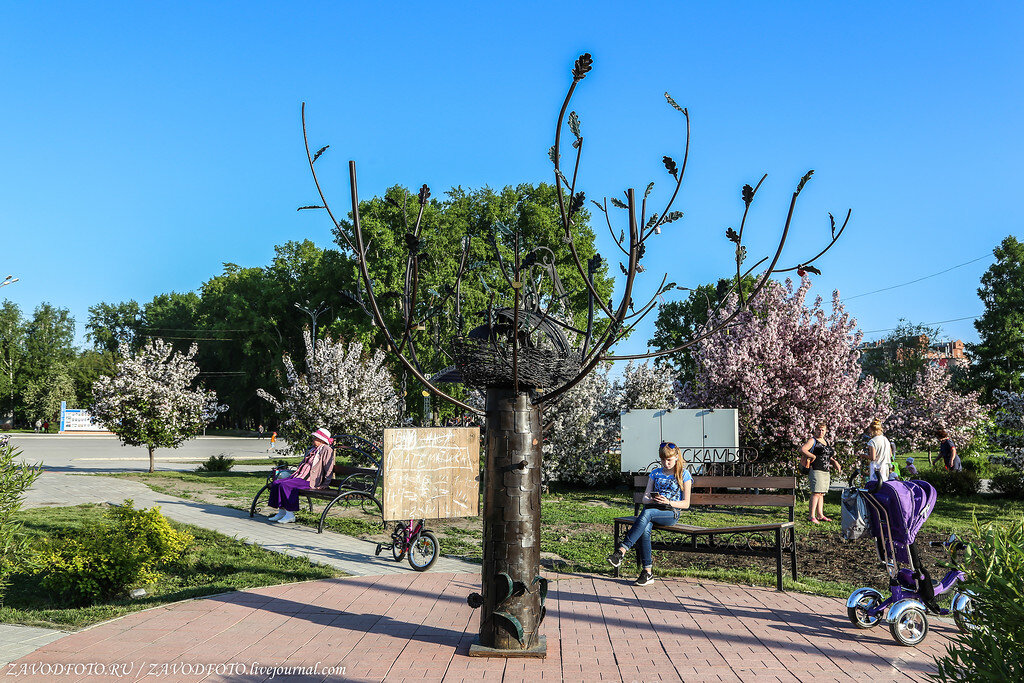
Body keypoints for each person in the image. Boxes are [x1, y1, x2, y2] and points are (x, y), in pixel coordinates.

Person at [606, 442, 692, 586]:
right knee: (645, 526)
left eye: (669, 460)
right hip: (653, 509)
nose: (666, 463)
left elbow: (686, 503)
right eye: (663, 460)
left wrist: (668, 502)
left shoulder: (684, 474)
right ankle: (647, 572)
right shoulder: (655, 473)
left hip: (671, 512)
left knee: (648, 513)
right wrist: (651, 498)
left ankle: (621, 551)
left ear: (676, 457)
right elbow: (645, 498)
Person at [267, 428, 336, 524]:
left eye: (315, 438)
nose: (313, 439)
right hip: (299, 476)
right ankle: (281, 512)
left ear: (321, 439)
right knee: (276, 483)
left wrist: (326, 483)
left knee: (286, 486)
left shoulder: (326, 449)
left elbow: (328, 468)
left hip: (310, 480)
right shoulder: (313, 449)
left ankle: (290, 514)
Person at [800, 422, 843, 524]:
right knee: (816, 493)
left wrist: (834, 462)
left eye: (823, 430)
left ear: (826, 431)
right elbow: (802, 449)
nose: (821, 432)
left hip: (825, 470)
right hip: (816, 468)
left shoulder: (825, 441)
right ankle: (811, 516)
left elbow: (827, 455)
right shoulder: (812, 440)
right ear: (815, 430)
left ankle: (820, 514)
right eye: (819, 430)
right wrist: (813, 456)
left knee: (821, 493)